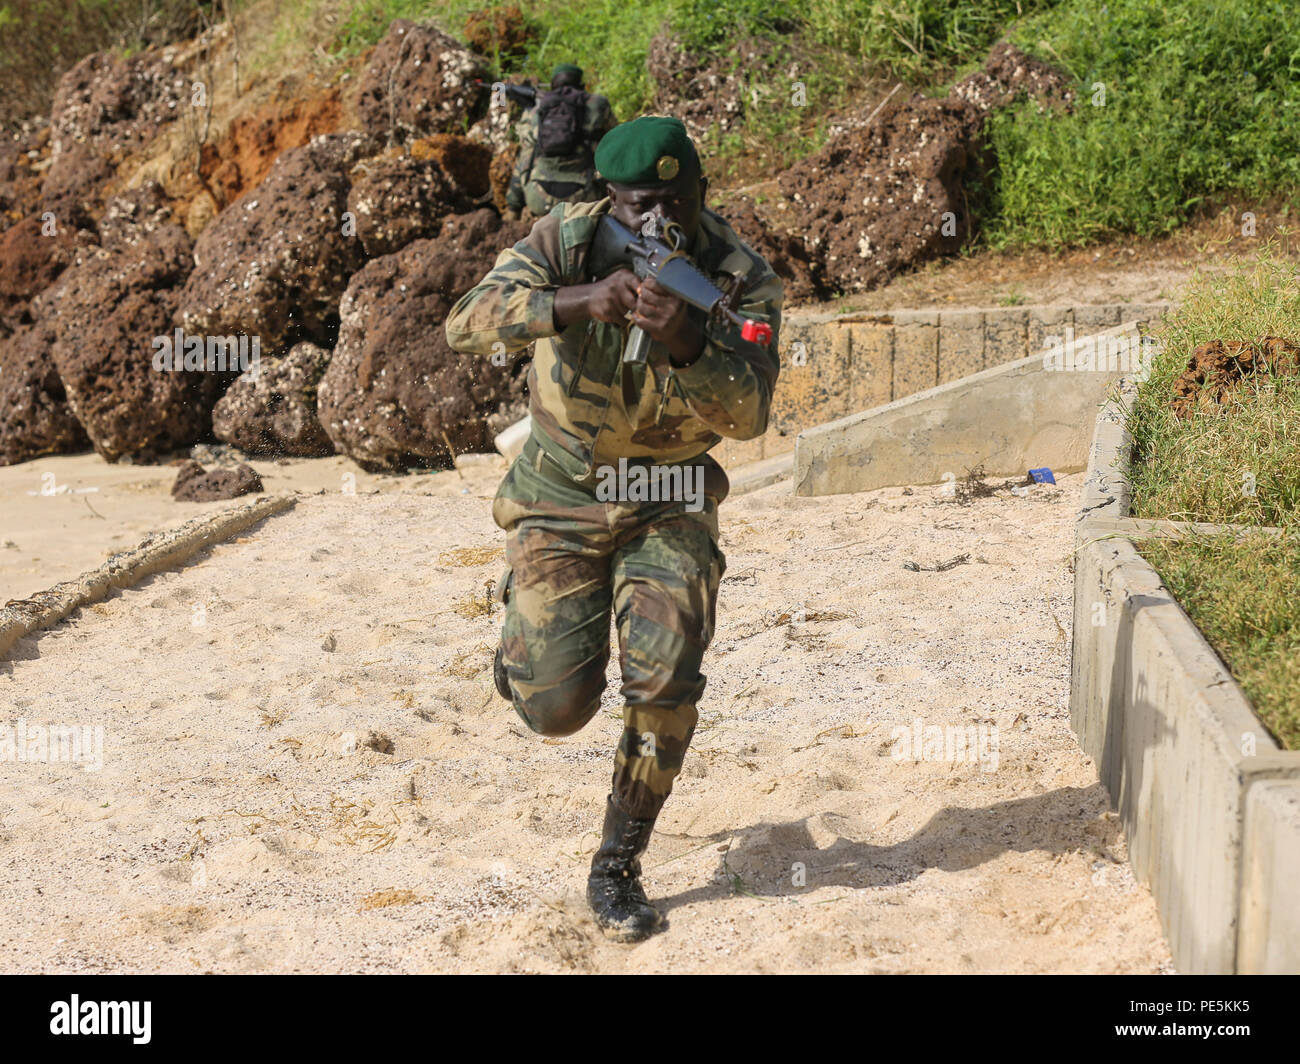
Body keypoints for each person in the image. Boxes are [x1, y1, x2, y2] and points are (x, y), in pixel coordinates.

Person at [446, 115, 783, 942]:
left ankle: (618, 863)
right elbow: (465, 322)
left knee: (664, 675)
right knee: (555, 708)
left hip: (668, 497)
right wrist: (575, 301)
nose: (656, 222)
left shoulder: (736, 277)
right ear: (610, 199)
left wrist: (686, 343)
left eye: (675, 202)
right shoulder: (566, 239)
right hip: (559, 493)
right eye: (639, 207)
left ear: (702, 194)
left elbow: (748, 418)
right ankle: (524, 634)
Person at [504, 63, 615, 220]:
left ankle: (512, 211)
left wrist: (513, 205)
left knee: (528, 148)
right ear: (582, 85)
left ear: (551, 86)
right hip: (583, 201)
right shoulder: (598, 105)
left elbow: (525, 159)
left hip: (538, 199)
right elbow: (617, 142)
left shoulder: (537, 110)